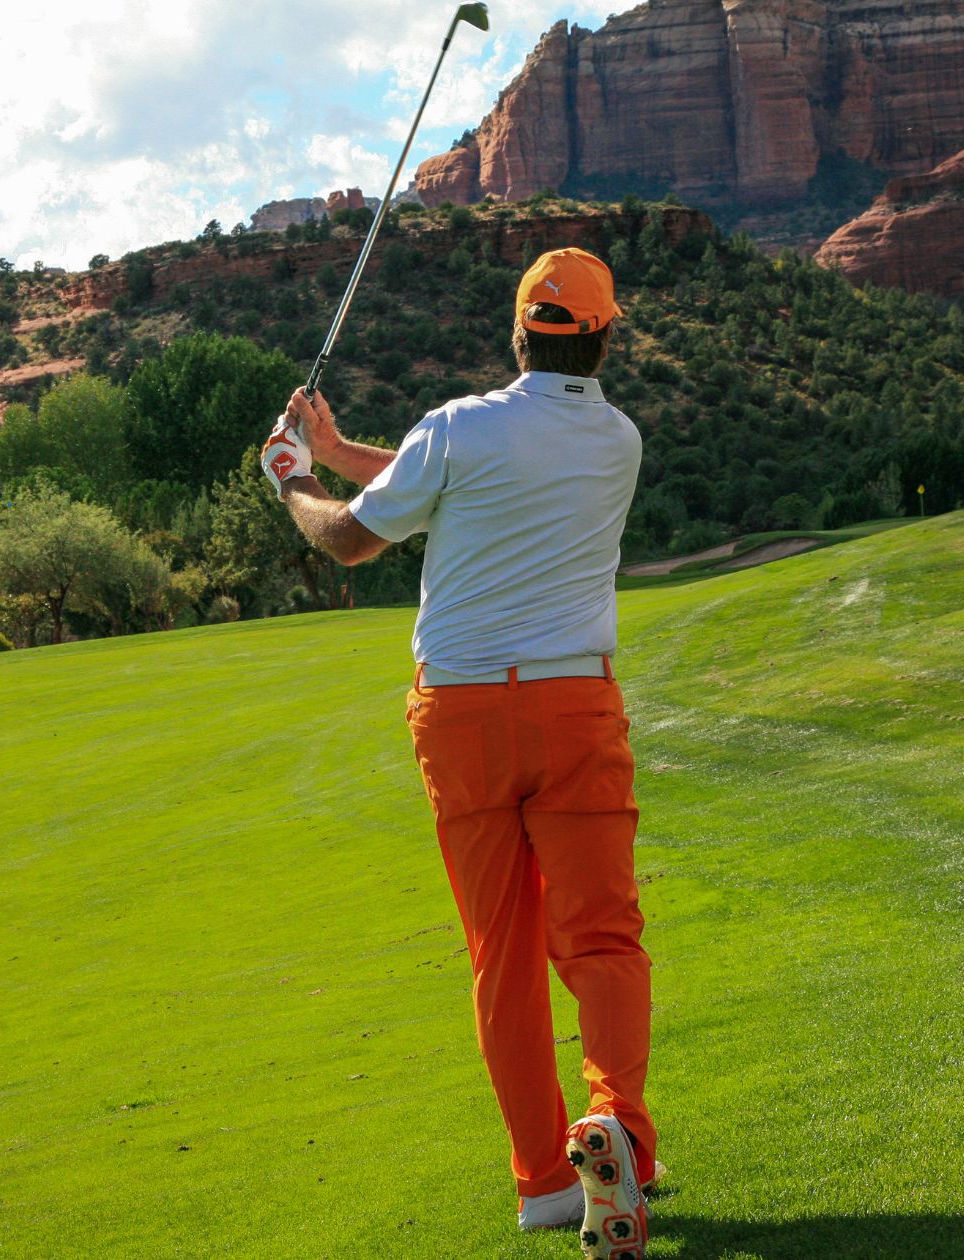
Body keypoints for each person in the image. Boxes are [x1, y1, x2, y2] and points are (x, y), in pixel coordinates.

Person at [260, 248, 659, 1259]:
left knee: (503, 953)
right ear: (605, 336)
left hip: (464, 716)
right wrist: (345, 445)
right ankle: (617, 1131)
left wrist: (295, 480)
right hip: (574, 705)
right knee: (602, 938)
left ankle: (541, 1182)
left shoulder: (456, 428)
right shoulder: (618, 440)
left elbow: (353, 538)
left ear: (517, 331)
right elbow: (446, 475)